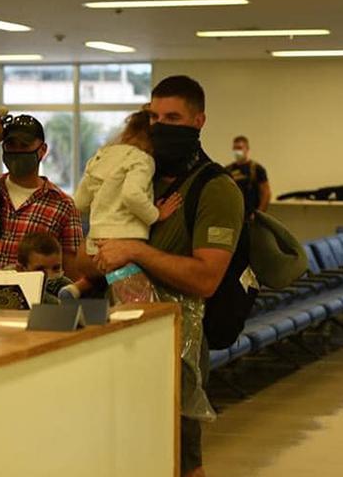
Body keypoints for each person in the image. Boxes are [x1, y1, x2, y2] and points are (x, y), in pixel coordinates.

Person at [93, 75, 244, 477]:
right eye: (154, 116)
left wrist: (135, 250)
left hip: (180, 346)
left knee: (181, 457)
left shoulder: (215, 190)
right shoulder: (139, 175)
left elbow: (205, 278)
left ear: (199, 121)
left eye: (173, 117)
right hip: (124, 337)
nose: (161, 126)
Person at [0, 109, 84, 277]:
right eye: (11, 145)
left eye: (24, 145)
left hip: (36, 301)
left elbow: (73, 274)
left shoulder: (62, 205)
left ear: (42, 150)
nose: (17, 151)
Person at [74, 110, 183, 301]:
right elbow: (132, 195)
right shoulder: (141, 158)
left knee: (113, 291)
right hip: (125, 240)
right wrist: (156, 214)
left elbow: (80, 202)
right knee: (136, 302)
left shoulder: (101, 156)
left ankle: (75, 288)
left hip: (96, 241)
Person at [14, 231, 74, 300]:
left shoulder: (65, 287)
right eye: (41, 270)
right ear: (21, 269)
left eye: (56, 268)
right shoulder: (9, 284)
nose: (50, 276)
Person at [225, 135, 271, 215]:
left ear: (247, 149)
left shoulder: (256, 169)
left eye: (239, 148)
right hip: (234, 214)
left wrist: (259, 213)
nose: (237, 151)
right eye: (235, 148)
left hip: (251, 214)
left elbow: (266, 193)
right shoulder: (228, 170)